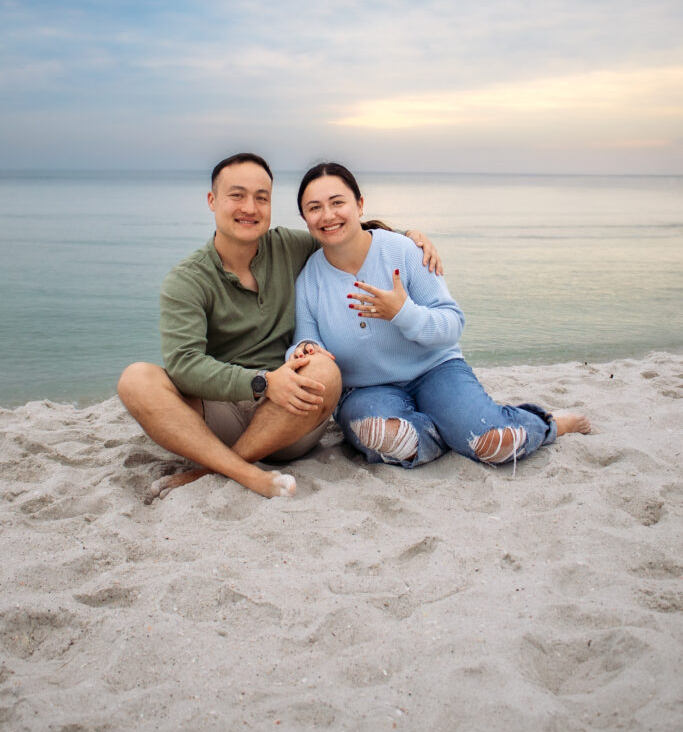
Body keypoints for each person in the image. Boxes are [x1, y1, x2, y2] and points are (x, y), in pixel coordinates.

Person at [117, 153, 442, 499]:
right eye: (237, 195)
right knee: (136, 379)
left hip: (290, 415)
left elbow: (344, 234)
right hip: (220, 413)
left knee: (324, 368)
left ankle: (213, 469)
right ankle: (244, 472)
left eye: (261, 197)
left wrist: (408, 236)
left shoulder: (288, 246)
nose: (250, 207)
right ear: (212, 201)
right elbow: (184, 365)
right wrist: (262, 382)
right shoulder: (187, 280)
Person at [290, 162, 591, 471]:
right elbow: (304, 340)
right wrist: (303, 350)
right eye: (315, 208)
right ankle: (446, 433)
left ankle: (548, 423)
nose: (328, 215)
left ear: (360, 204)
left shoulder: (403, 250)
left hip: (435, 371)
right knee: (381, 434)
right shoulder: (309, 279)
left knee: (495, 443)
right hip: (366, 391)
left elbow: (452, 325)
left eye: (337, 202)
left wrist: (402, 313)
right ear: (304, 218)